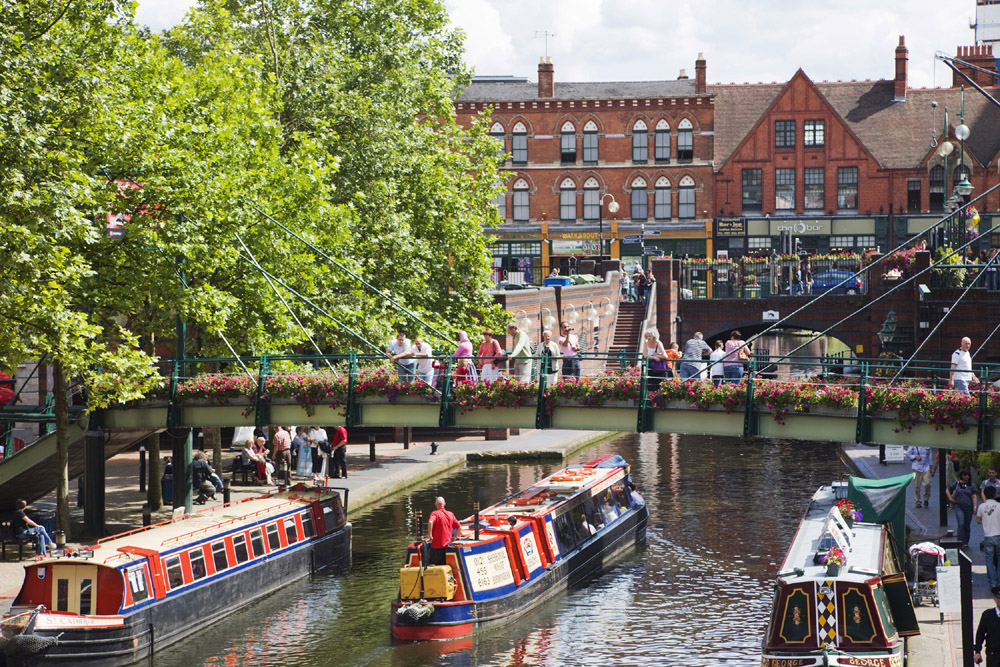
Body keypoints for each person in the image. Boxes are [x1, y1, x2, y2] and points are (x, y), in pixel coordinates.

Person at [948, 469, 979, 548]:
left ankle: (966, 541)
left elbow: (974, 496)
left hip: (968, 507)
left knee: (967, 525)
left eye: (968, 475)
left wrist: (975, 507)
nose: (966, 477)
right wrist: (950, 498)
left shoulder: (971, 485)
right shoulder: (957, 483)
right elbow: (948, 490)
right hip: (959, 506)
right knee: (961, 523)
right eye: (965, 475)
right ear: (962, 475)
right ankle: (960, 541)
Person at [427, 497, 461, 566]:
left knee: (434, 567)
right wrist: (454, 538)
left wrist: (430, 535)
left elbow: (430, 522)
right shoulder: (450, 514)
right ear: (444, 504)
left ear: (436, 504)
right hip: (447, 547)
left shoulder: (435, 513)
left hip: (436, 547)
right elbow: (459, 527)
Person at [975, 586, 1000, 667]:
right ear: (995, 599)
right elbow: (980, 633)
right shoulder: (988, 615)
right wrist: (977, 651)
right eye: (998, 597)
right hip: (993, 654)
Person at [980, 486, 1000, 589]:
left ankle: (992, 582)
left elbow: (978, 520)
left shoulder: (982, 507)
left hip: (988, 536)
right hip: (998, 535)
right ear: (995, 494)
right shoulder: (999, 506)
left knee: (989, 559)